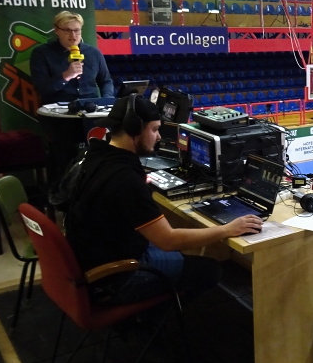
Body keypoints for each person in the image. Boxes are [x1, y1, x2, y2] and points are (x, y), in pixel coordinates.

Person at [65, 95, 263, 304]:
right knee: (210, 270)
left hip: (91, 256)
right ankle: (156, 316)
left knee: (177, 249)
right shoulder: (125, 179)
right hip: (115, 274)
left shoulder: (94, 155)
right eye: (154, 129)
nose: (159, 137)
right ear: (134, 129)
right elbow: (168, 240)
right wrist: (227, 230)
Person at [30, 11, 114, 105]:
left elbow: (106, 81)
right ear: (56, 30)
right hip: (58, 109)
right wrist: (66, 76)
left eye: (77, 30)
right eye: (67, 30)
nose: (73, 36)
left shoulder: (94, 53)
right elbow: (41, 89)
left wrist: (107, 99)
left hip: (90, 107)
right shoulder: (41, 53)